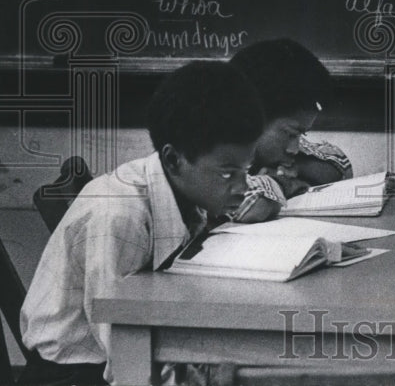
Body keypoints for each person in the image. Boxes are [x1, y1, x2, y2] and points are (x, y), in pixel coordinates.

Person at [18, 61, 264, 386]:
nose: (243, 187)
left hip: (140, 348)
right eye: (227, 173)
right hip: (78, 375)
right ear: (174, 158)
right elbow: (123, 358)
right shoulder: (121, 216)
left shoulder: (181, 184)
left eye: (247, 170)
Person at [228, 39, 352, 222]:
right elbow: (252, 207)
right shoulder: (216, 152)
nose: (294, 148)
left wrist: (298, 167)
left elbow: (340, 164)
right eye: (291, 134)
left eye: (301, 135)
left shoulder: (273, 153)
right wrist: (285, 184)